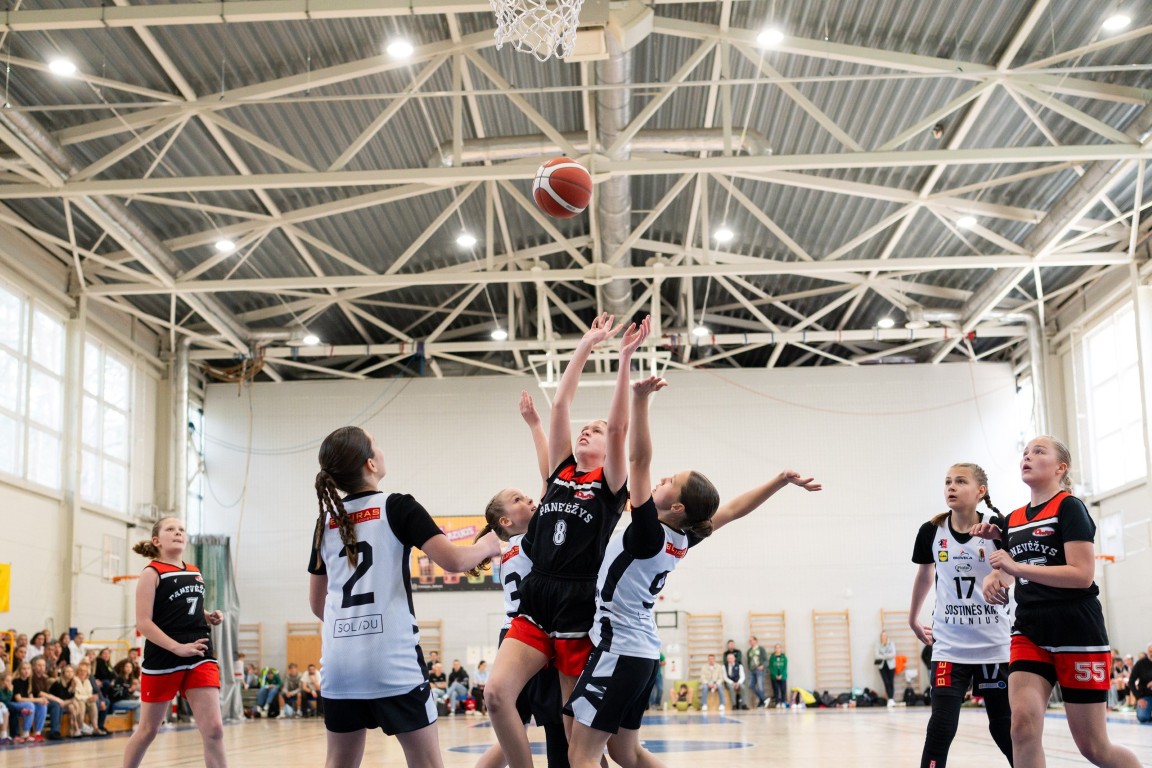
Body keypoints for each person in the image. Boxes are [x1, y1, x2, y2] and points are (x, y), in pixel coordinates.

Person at [565, 374, 821, 768]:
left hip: (619, 650)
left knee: (581, 755)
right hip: (641, 656)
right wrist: (779, 481)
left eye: (671, 481)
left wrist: (639, 400)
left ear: (678, 507)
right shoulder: (682, 537)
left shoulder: (648, 533)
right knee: (626, 753)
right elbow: (732, 510)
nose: (661, 478)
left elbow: (638, 460)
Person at [485, 314, 645, 768]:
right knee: (496, 694)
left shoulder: (610, 484)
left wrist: (624, 359)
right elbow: (560, 405)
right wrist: (586, 343)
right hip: (538, 594)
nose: (585, 430)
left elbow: (620, 429)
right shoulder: (560, 472)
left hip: (579, 602)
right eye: (584, 428)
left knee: (578, 744)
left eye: (594, 430)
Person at [307, 424, 501, 768]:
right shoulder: (397, 506)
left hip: (338, 664)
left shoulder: (325, 522)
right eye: (376, 444)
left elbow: (316, 604)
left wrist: (354, 625)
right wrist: (489, 545)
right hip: (391, 660)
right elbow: (454, 561)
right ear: (370, 463)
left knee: (338, 763)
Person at [978, 436, 1140, 768]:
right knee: (1021, 726)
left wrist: (1013, 568)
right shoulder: (1012, 519)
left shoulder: (1069, 507)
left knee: (1094, 747)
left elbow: (1082, 575)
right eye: (1025, 452)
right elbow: (1011, 568)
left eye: (1038, 452)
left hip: (1076, 629)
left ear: (1060, 468)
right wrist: (993, 578)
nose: (1027, 456)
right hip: (1030, 629)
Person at [908, 462, 1012, 768]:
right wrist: (913, 617)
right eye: (948, 482)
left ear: (980, 491)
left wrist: (1000, 577)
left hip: (993, 646)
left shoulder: (997, 527)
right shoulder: (932, 530)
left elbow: (1014, 571)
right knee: (941, 726)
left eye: (960, 481)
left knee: (1004, 728)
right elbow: (925, 576)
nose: (951, 487)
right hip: (950, 647)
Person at [120, 516, 228, 768]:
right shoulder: (151, 573)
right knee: (148, 730)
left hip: (199, 650)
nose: (178, 532)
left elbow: (184, 606)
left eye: (181, 529)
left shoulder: (194, 570)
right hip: (164, 654)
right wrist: (176, 647)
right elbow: (143, 622)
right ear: (156, 540)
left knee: (214, 729)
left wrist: (208, 615)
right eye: (171, 529)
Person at [11, 660, 48, 742]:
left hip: (25, 704)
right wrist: (37, 699)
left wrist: (41, 701)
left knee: (42, 705)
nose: (26, 671)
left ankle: (37, 733)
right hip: (14, 703)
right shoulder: (16, 681)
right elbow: (18, 699)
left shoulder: (29, 681)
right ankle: (25, 733)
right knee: (30, 705)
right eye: (24, 669)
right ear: (19, 670)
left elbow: (31, 696)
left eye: (28, 668)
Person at [1130, 642, 1152, 724]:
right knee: (1143, 717)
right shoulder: (1140, 664)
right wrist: (1138, 698)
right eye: (1150, 651)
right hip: (1145, 696)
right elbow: (1131, 681)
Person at [875, 631, 897, 705]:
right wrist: (887, 655)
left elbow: (893, 654)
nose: (884, 637)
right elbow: (877, 655)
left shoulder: (891, 644)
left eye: (885, 636)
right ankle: (890, 698)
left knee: (891, 682)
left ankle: (891, 699)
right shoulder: (878, 645)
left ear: (887, 637)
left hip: (891, 666)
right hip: (882, 666)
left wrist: (883, 655)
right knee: (886, 682)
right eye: (882, 636)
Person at [746, 637, 767, 708]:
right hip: (752, 670)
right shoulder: (749, 651)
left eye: (752, 640)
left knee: (760, 686)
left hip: (759, 670)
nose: (751, 642)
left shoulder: (761, 649)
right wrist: (749, 668)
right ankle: (764, 699)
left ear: (755, 641)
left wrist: (762, 666)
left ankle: (761, 703)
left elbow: (765, 660)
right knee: (751, 685)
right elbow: (749, 661)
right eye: (750, 641)